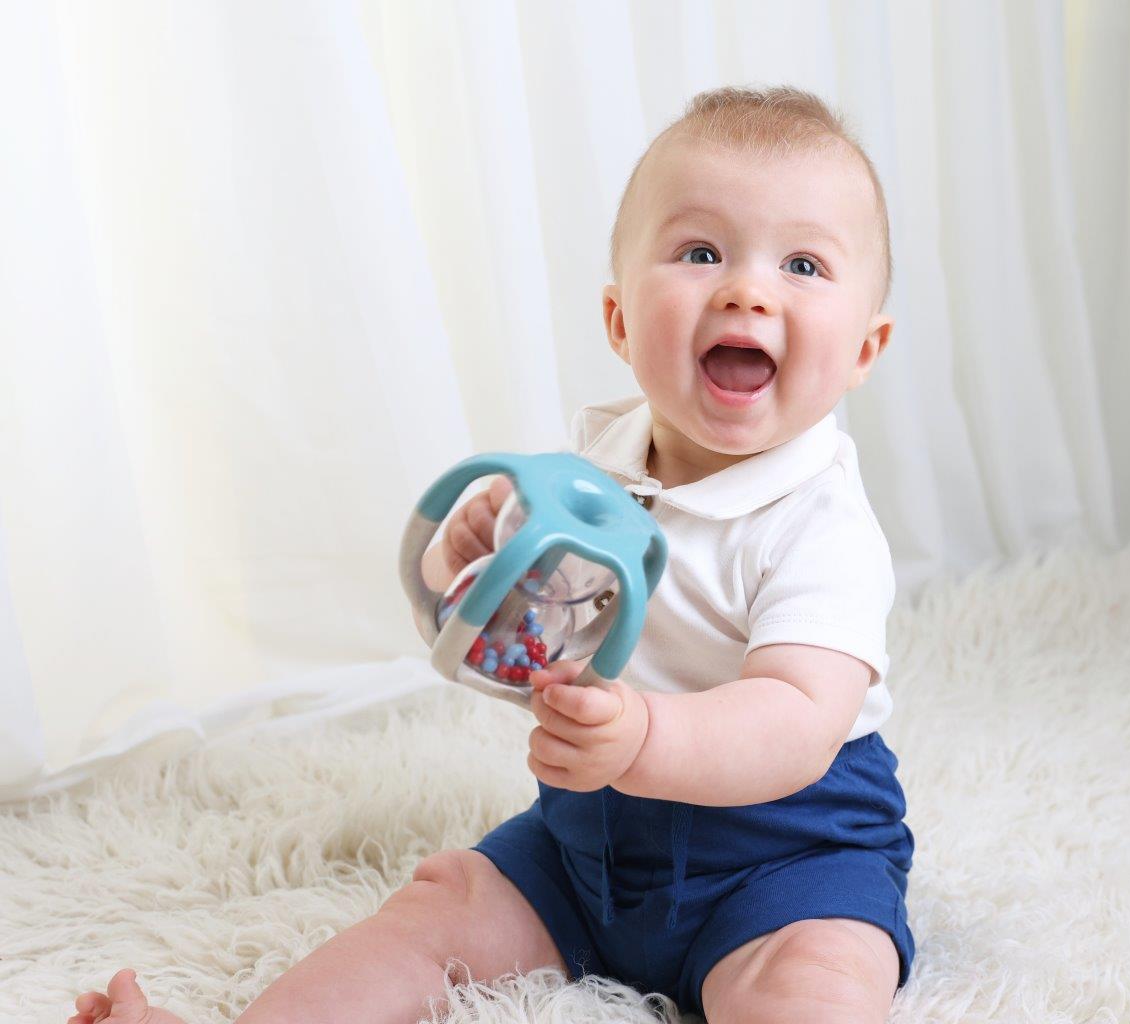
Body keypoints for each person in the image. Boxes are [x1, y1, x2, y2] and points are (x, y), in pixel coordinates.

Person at [70, 85, 914, 1024]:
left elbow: (798, 719)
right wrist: (470, 570)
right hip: (588, 846)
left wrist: (643, 738)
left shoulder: (822, 524)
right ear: (620, 322)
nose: (746, 290)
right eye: (700, 252)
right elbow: (523, 647)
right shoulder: (589, 481)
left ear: (864, 348)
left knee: (814, 981)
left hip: (788, 856)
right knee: (435, 913)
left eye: (802, 264)